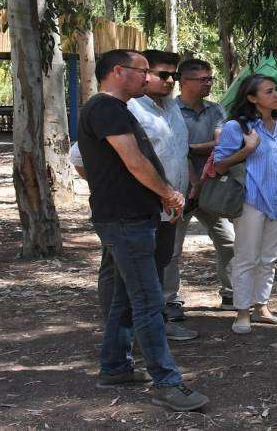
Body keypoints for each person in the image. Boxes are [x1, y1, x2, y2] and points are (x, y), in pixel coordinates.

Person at [78, 49, 208, 411]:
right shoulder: (105, 108)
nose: (150, 78)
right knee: (148, 302)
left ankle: (116, 367)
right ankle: (168, 383)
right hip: (125, 219)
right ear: (119, 72)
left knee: (124, 297)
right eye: (143, 71)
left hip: (135, 216)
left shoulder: (117, 110)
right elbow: (134, 162)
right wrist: (168, 193)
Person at [214, 74, 277, 334]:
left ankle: (261, 308)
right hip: (251, 200)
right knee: (246, 257)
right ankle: (242, 312)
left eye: (275, 90)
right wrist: (247, 149)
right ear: (252, 98)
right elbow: (220, 164)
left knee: (269, 258)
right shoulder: (237, 127)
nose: (276, 95)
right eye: (268, 91)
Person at [125, 49, 197, 342]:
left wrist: (188, 183)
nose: (170, 81)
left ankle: (156, 325)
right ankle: (125, 333)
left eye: (174, 76)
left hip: (171, 208)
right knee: (127, 273)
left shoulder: (172, 107)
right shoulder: (128, 108)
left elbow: (179, 152)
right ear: (144, 74)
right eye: (163, 75)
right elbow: (82, 160)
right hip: (138, 209)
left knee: (159, 266)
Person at [163, 58, 236, 319]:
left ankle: (231, 293)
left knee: (228, 242)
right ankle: (169, 300)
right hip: (176, 189)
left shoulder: (216, 110)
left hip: (209, 188)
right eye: (202, 79)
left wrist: (187, 147)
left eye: (210, 79)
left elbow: (221, 144)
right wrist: (191, 150)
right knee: (171, 249)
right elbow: (166, 148)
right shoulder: (169, 110)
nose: (208, 83)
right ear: (184, 82)